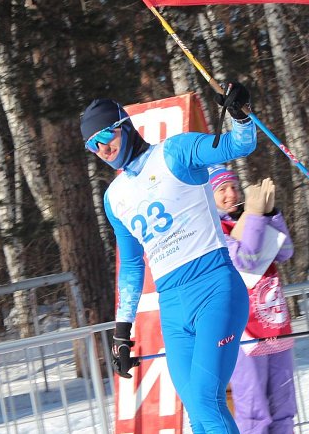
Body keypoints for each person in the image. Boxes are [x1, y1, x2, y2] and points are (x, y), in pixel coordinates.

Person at [81, 83, 256, 434]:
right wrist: (121, 330)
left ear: (123, 124)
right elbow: (131, 266)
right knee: (195, 411)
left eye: (104, 135)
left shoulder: (175, 151)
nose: (102, 148)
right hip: (173, 307)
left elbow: (240, 144)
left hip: (214, 289)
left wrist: (239, 114)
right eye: (91, 144)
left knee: (208, 402)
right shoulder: (114, 198)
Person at [209, 165, 297, 434]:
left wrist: (271, 215)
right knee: (254, 414)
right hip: (245, 333)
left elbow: (285, 253)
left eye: (233, 186)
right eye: (221, 189)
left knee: (283, 409)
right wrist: (256, 216)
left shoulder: (245, 219)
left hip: (275, 324)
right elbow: (245, 261)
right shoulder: (215, 230)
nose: (230, 194)